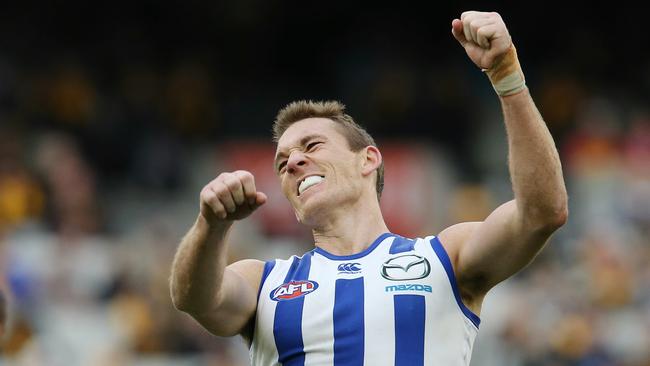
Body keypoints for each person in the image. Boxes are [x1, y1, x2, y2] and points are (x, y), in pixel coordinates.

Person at [170, 11, 568, 366]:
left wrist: (507, 77)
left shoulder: (444, 258)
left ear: (369, 159)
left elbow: (542, 213)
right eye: (282, 162)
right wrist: (211, 224)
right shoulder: (264, 282)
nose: (292, 162)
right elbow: (194, 298)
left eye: (312, 146)